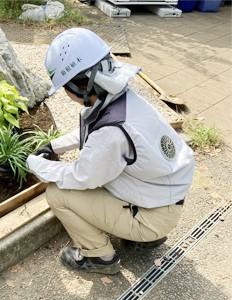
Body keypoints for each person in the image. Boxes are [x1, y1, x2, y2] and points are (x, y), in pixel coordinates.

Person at [26, 28, 195, 275]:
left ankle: (98, 256)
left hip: (152, 216)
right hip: (163, 198)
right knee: (102, 174)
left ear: (78, 86)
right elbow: (95, 135)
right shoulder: (123, 99)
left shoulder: (112, 132)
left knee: (57, 193)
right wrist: (53, 146)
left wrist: (33, 163)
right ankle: (144, 238)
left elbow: (82, 176)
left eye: (65, 86)